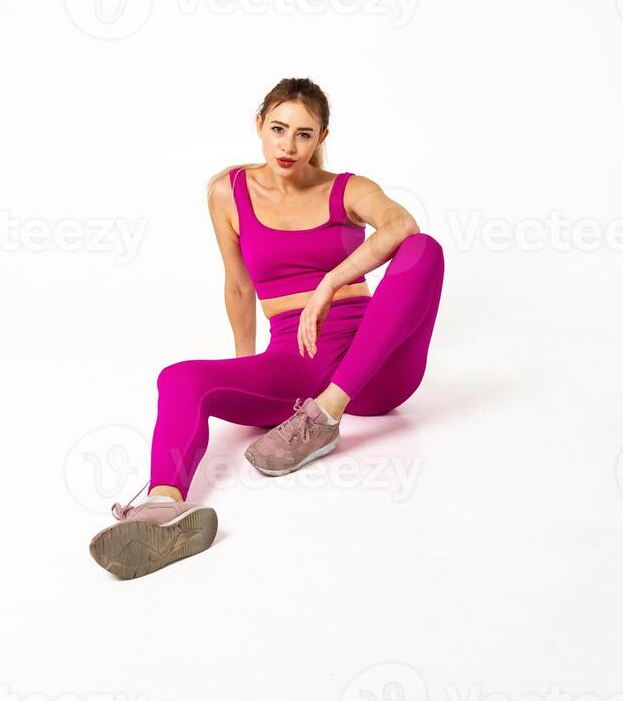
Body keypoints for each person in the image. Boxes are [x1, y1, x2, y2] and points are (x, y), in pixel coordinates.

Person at [89, 77, 445, 579]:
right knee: (179, 377)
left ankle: (324, 418)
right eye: (278, 129)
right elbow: (238, 286)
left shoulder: (347, 189)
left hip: (375, 367)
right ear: (259, 126)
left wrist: (330, 284)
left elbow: (401, 225)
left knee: (423, 250)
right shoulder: (228, 191)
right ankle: (163, 508)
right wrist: (245, 365)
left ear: (321, 138)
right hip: (294, 361)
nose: (288, 145)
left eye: (304, 134)